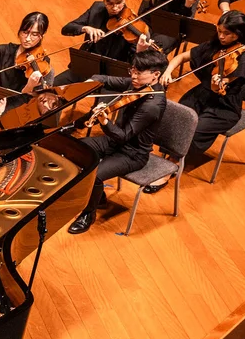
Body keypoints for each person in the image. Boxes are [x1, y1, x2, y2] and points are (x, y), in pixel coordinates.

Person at [68, 48, 177, 234]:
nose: (133, 76)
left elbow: (123, 135)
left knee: (95, 174)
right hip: (114, 142)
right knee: (76, 150)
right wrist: (89, 83)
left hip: (133, 153)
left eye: (139, 73)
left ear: (155, 75)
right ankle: (99, 196)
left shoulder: (152, 105)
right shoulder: (137, 85)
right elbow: (105, 79)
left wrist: (104, 122)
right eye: (132, 71)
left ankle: (88, 213)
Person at [170, 9, 245, 158]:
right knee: (179, 118)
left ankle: (176, 161)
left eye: (227, 33)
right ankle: (170, 153)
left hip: (224, 106)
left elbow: (226, 83)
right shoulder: (214, 44)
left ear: (238, 34)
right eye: (220, 31)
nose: (221, 36)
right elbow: (182, 57)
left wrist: (220, 81)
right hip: (202, 94)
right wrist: (167, 72)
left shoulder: (244, 58)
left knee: (194, 130)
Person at [62, 0, 152, 69]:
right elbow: (66, 29)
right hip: (85, 64)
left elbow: (133, 62)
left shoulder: (135, 24)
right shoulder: (96, 8)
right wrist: (85, 28)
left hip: (109, 73)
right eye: (110, 3)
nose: (115, 8)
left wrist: (140, 50)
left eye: (119, 3)